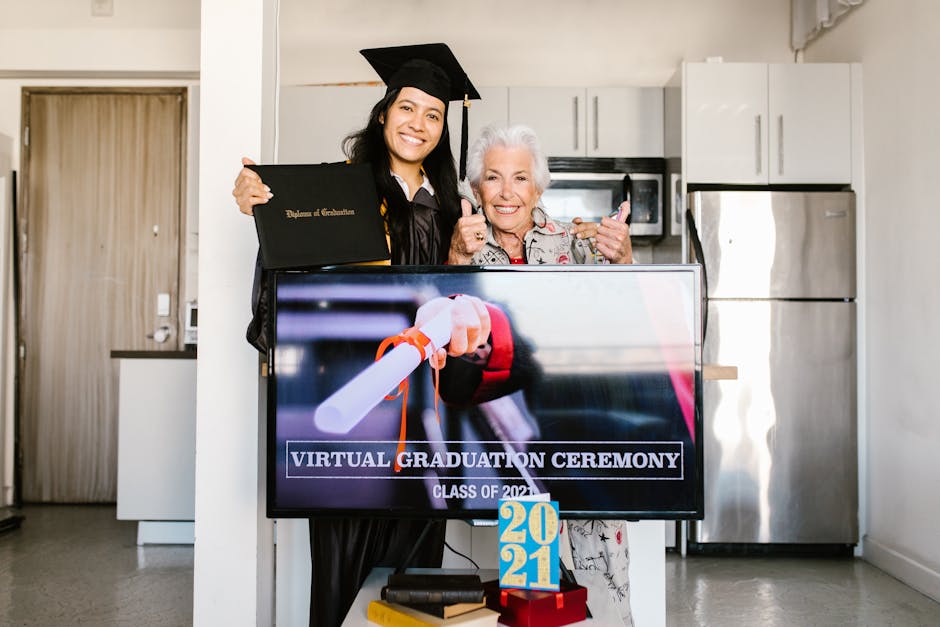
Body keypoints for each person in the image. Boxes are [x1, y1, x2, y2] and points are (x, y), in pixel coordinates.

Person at [232, 44, 485, 627]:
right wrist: (261, 206)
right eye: (407, 108)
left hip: (423, 418)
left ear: (443, 129)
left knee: (414, 585)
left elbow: (464, 301)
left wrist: (458, 257)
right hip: (350, 411)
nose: (418, 124)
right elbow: (292, 267)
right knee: (342, 568)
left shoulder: (453, 207)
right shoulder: (341, 191)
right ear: (383, 113)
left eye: (433, 114)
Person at [430, 123, 636, 625]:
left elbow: (625, 319)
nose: (506, 192)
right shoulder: (463, 244)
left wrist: (625, 259)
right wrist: (454, 259)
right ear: (475, 188)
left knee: (603, 588)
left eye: (520, 178)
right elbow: (441, 342)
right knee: (533, 597)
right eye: (493, 178)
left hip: (583, 433)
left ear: (538, 188)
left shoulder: (579, 242)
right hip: (517, 440)